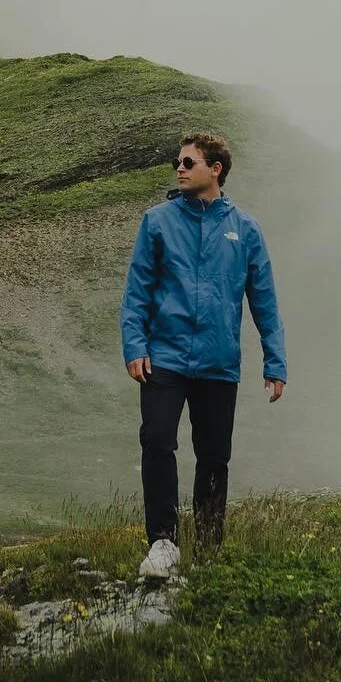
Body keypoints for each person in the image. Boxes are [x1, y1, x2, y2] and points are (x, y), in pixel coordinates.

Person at [119, 132, 286, 579]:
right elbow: (137, 292)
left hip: (218, 362)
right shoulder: (156, 221)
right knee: (157, 441)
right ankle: (163, 542)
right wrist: (135, 346)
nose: (179, 168)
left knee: (214, 456)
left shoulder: (245, 229)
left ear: (215, 169)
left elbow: (264, 299)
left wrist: (275, 360)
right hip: (164, 358)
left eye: (189, 162)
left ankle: (210, 545)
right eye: (178, 161)